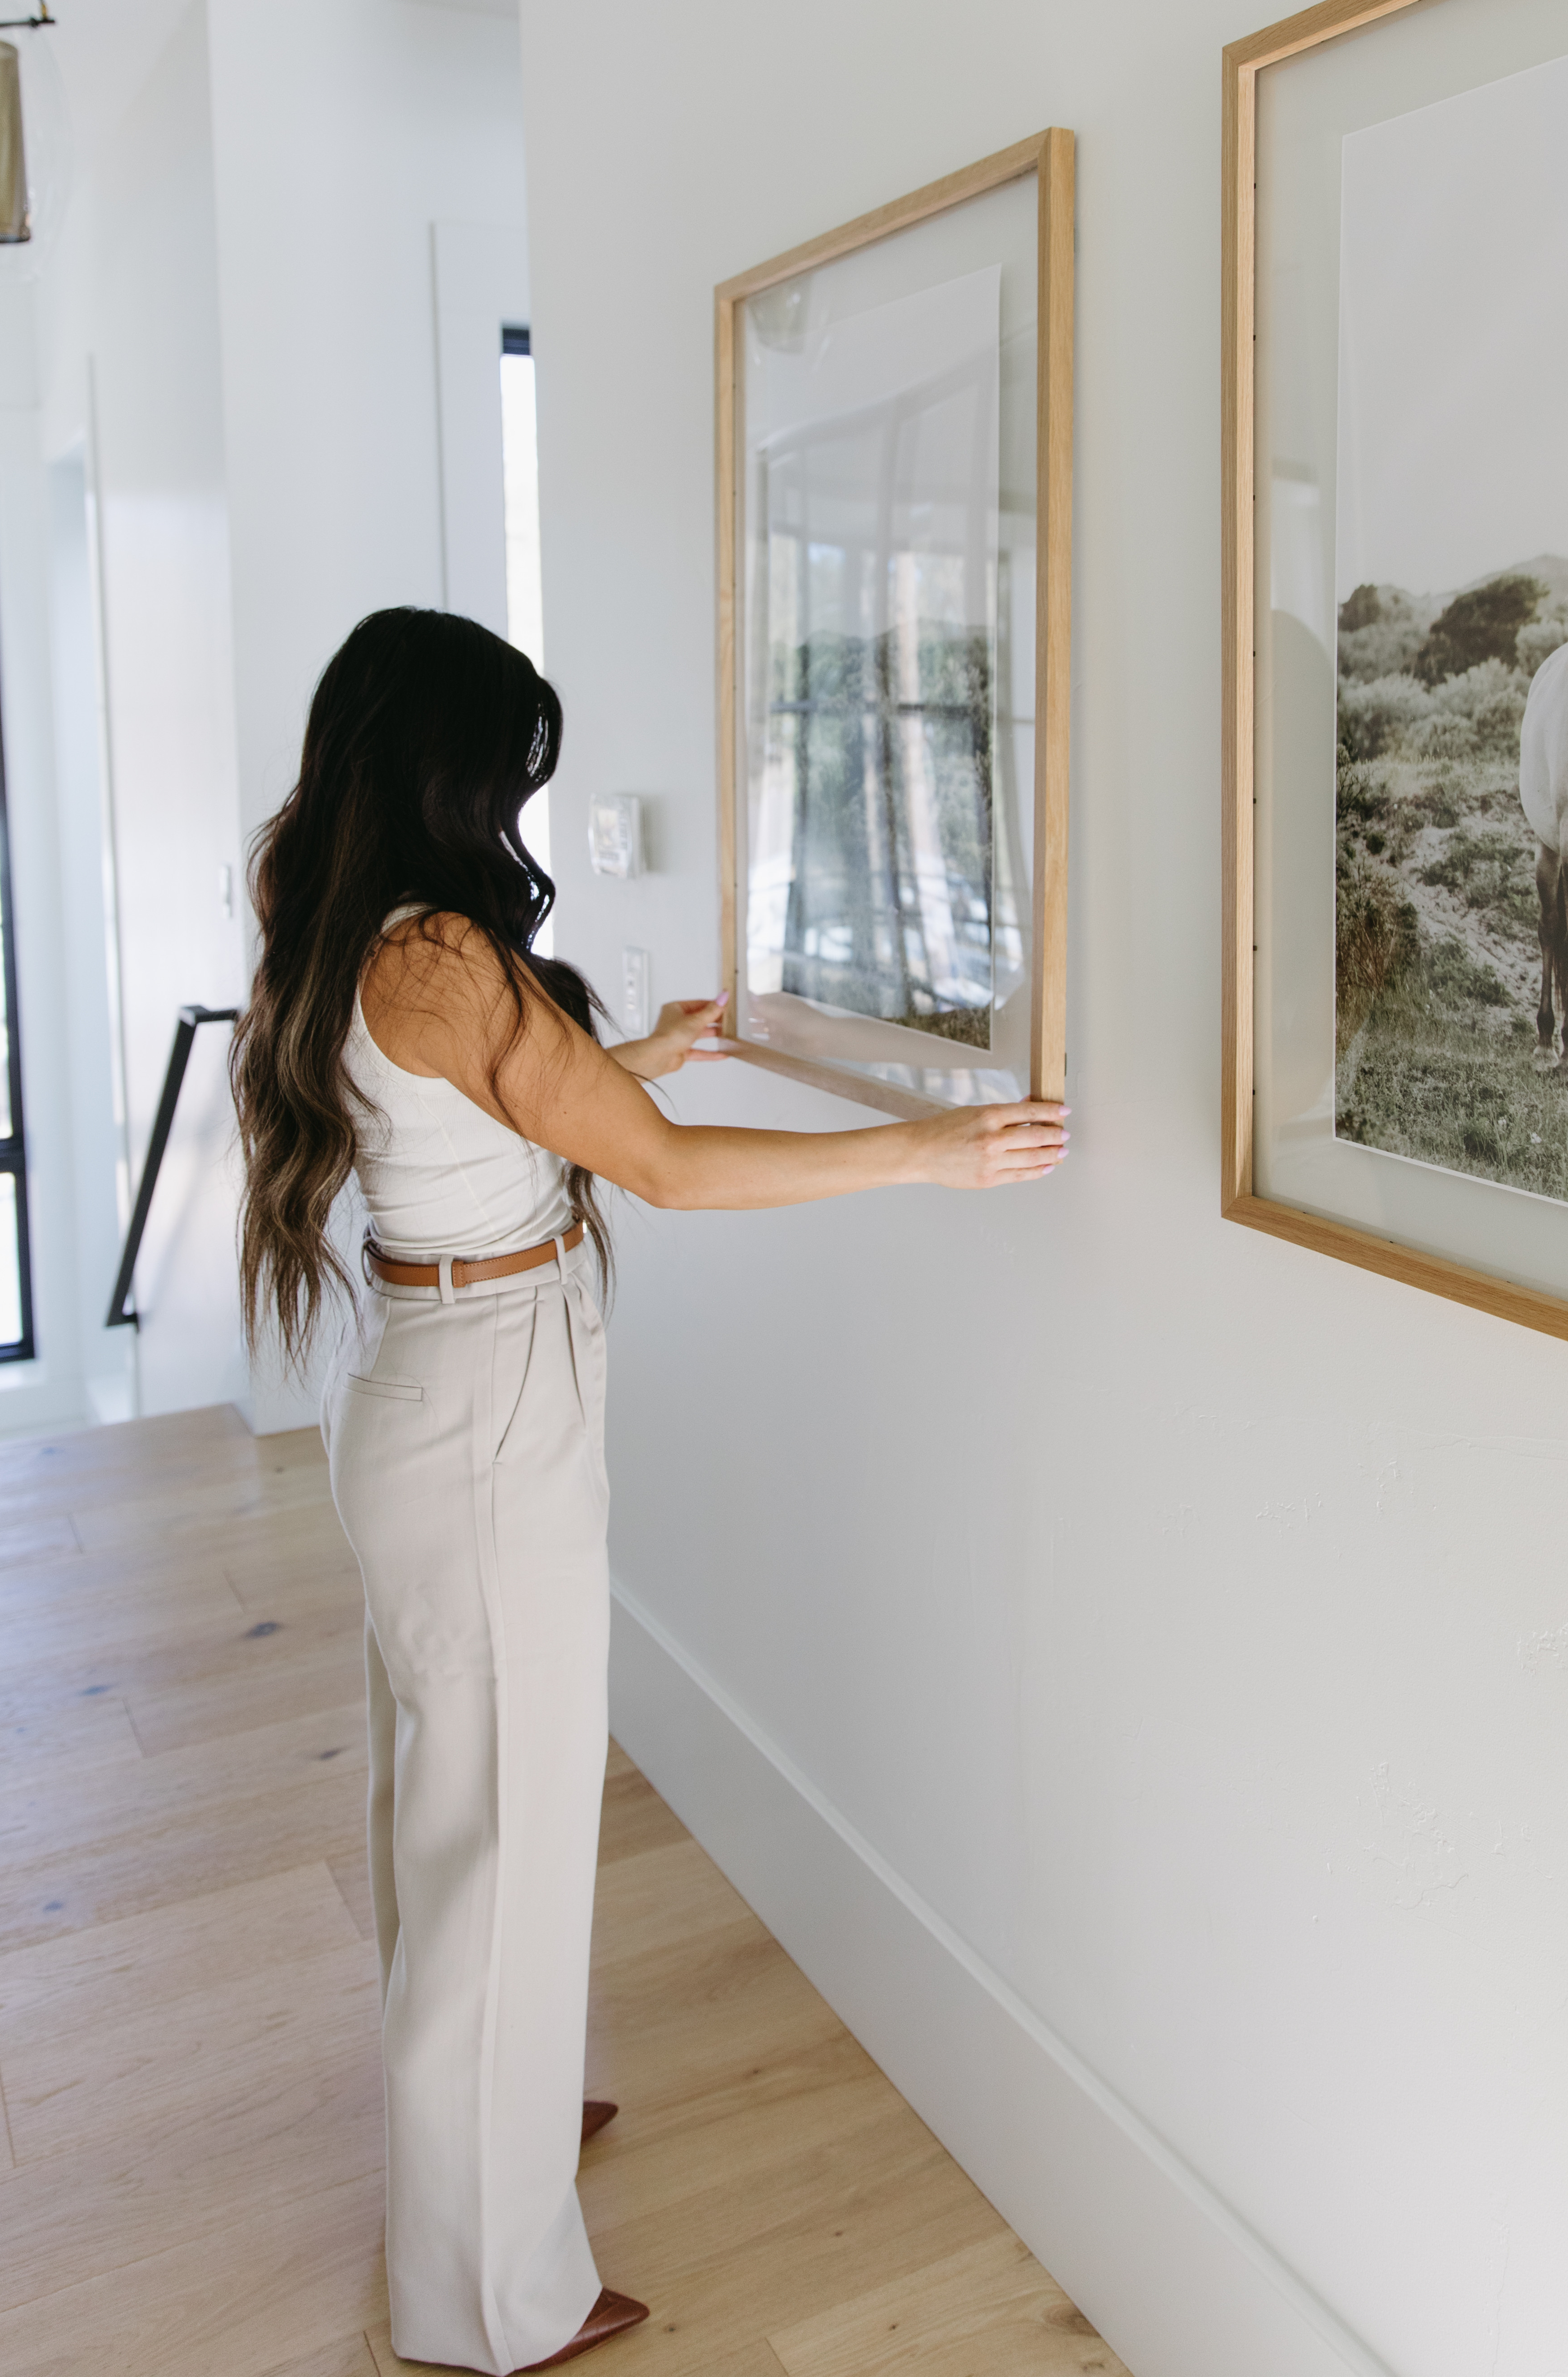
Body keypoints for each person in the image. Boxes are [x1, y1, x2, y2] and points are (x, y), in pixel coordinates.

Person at [230, 607, 1068, 2375]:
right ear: (450, 768)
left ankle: (497, 2116)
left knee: (453, 1809)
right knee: (500, 1826)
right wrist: (929, 1142)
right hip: (480, 1405)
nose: (522, 809)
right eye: (510, 773)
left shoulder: (337, 918)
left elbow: (480, 1116)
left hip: (426, 1379)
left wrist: (646, 1058)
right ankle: (482, 2305)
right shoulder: (445, 953)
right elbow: (668, 1180)